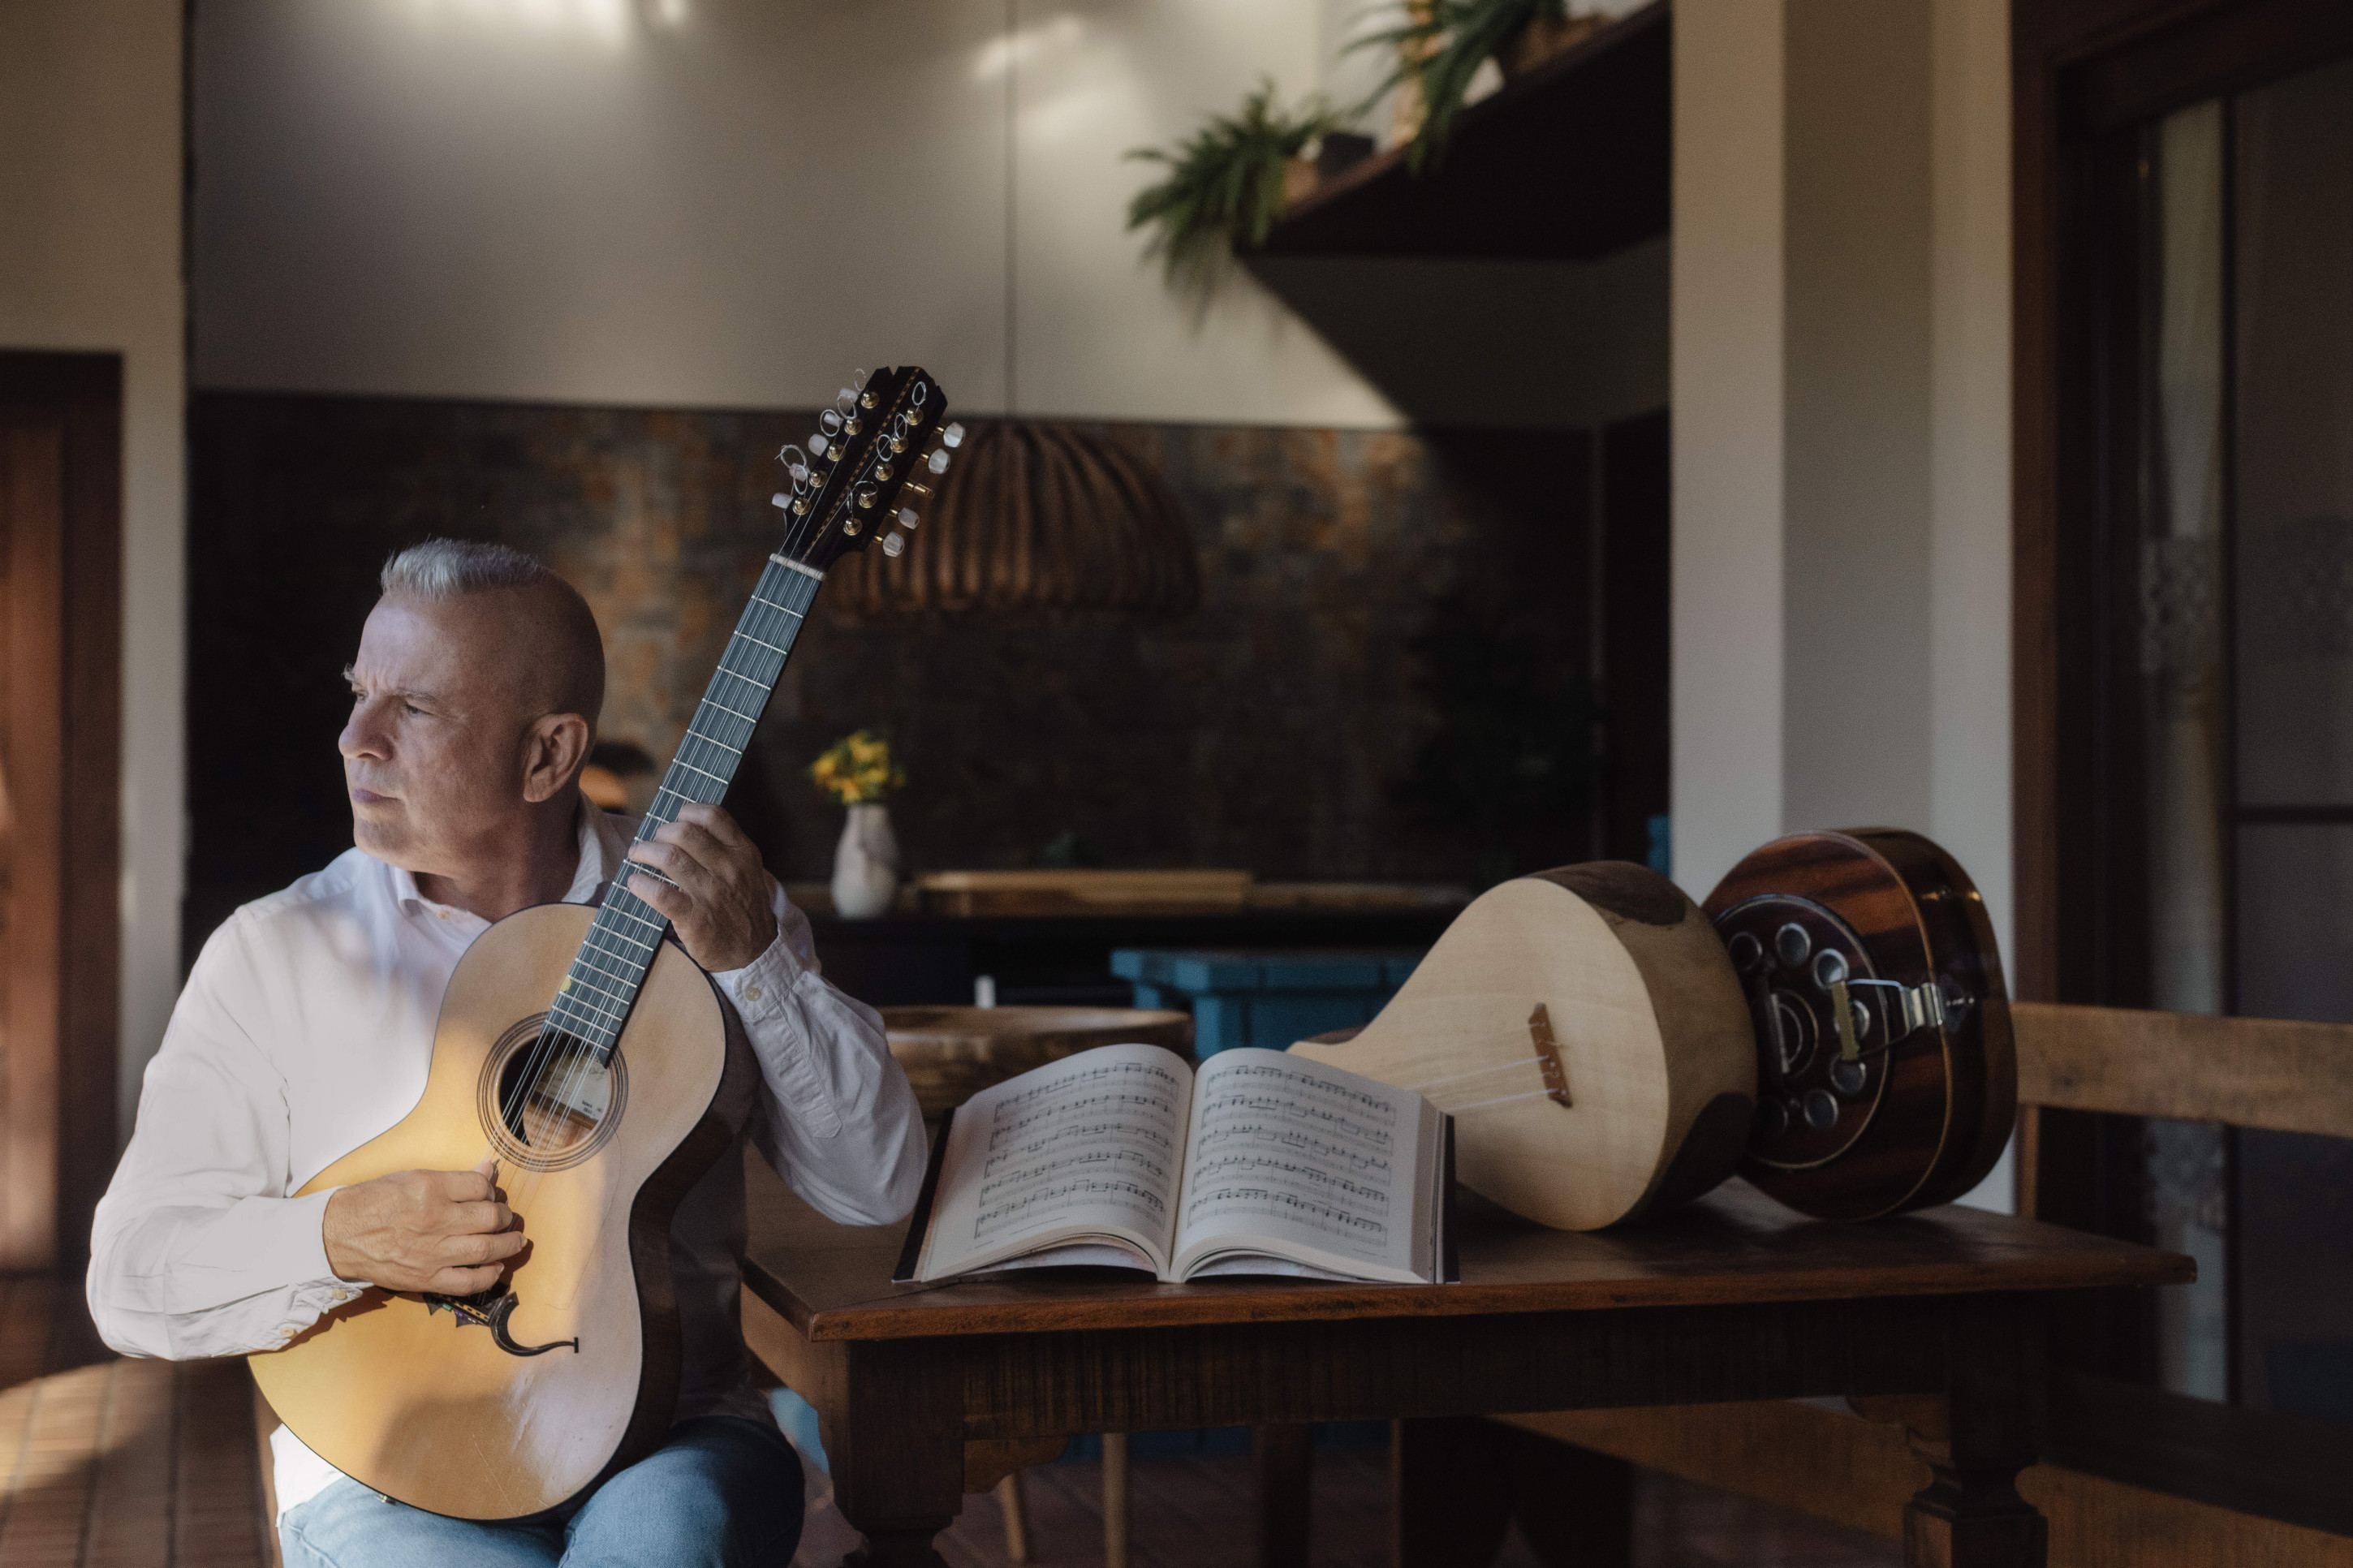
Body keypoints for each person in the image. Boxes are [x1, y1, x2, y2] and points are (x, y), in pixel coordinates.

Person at [88, 539, 926, 1567]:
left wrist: (758, 964)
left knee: (661, 1545)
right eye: (358, 694)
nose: (355, 739)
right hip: (387, 1465)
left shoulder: (712, 909)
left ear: (547, 755)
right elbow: (127, 1282)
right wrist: (335, 1239)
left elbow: (876, 1188)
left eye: (416, 708)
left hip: (670, 1434)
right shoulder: (276, 952)